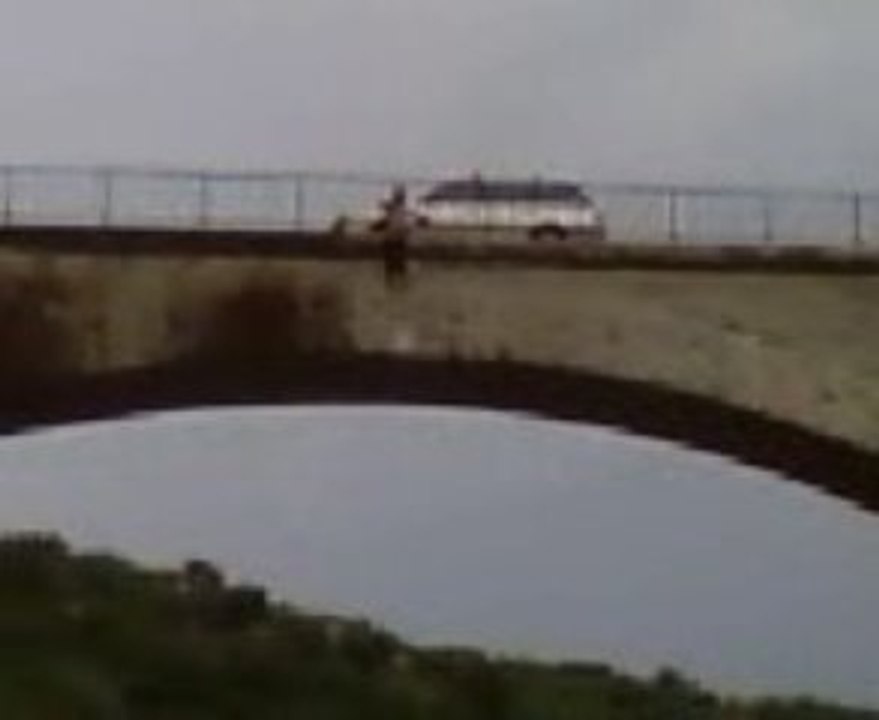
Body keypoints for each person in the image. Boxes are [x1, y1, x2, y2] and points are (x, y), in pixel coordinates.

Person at [380, 184, 411, 289]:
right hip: (393, 239)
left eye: (400, 196)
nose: (402, 198)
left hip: (395, 239)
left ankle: (396, 283)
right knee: (394, 262)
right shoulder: (396, 208)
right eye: (400, 196)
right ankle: (393, 283)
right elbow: (383, 205)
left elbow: (383, 205)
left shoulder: (399, 208)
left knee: (397, 262)